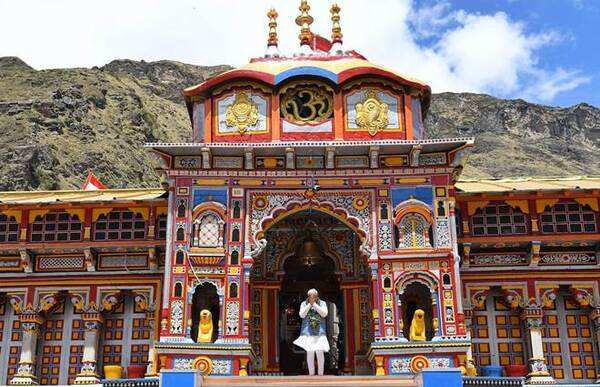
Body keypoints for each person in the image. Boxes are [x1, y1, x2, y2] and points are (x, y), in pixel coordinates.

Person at [293, 288, 329, 376]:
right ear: (308, 296)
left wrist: (315, 305)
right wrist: (310, 304)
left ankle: (320, 373)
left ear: (317, 296)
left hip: (319, 331)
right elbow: (302, 315)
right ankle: (311, 373)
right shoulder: (304, 304)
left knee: (319, 352)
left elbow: (324, 314)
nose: (312, 297)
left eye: (314, 296)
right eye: (310, 296)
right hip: (308, 331)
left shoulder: (322, 303)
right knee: (310, 352)